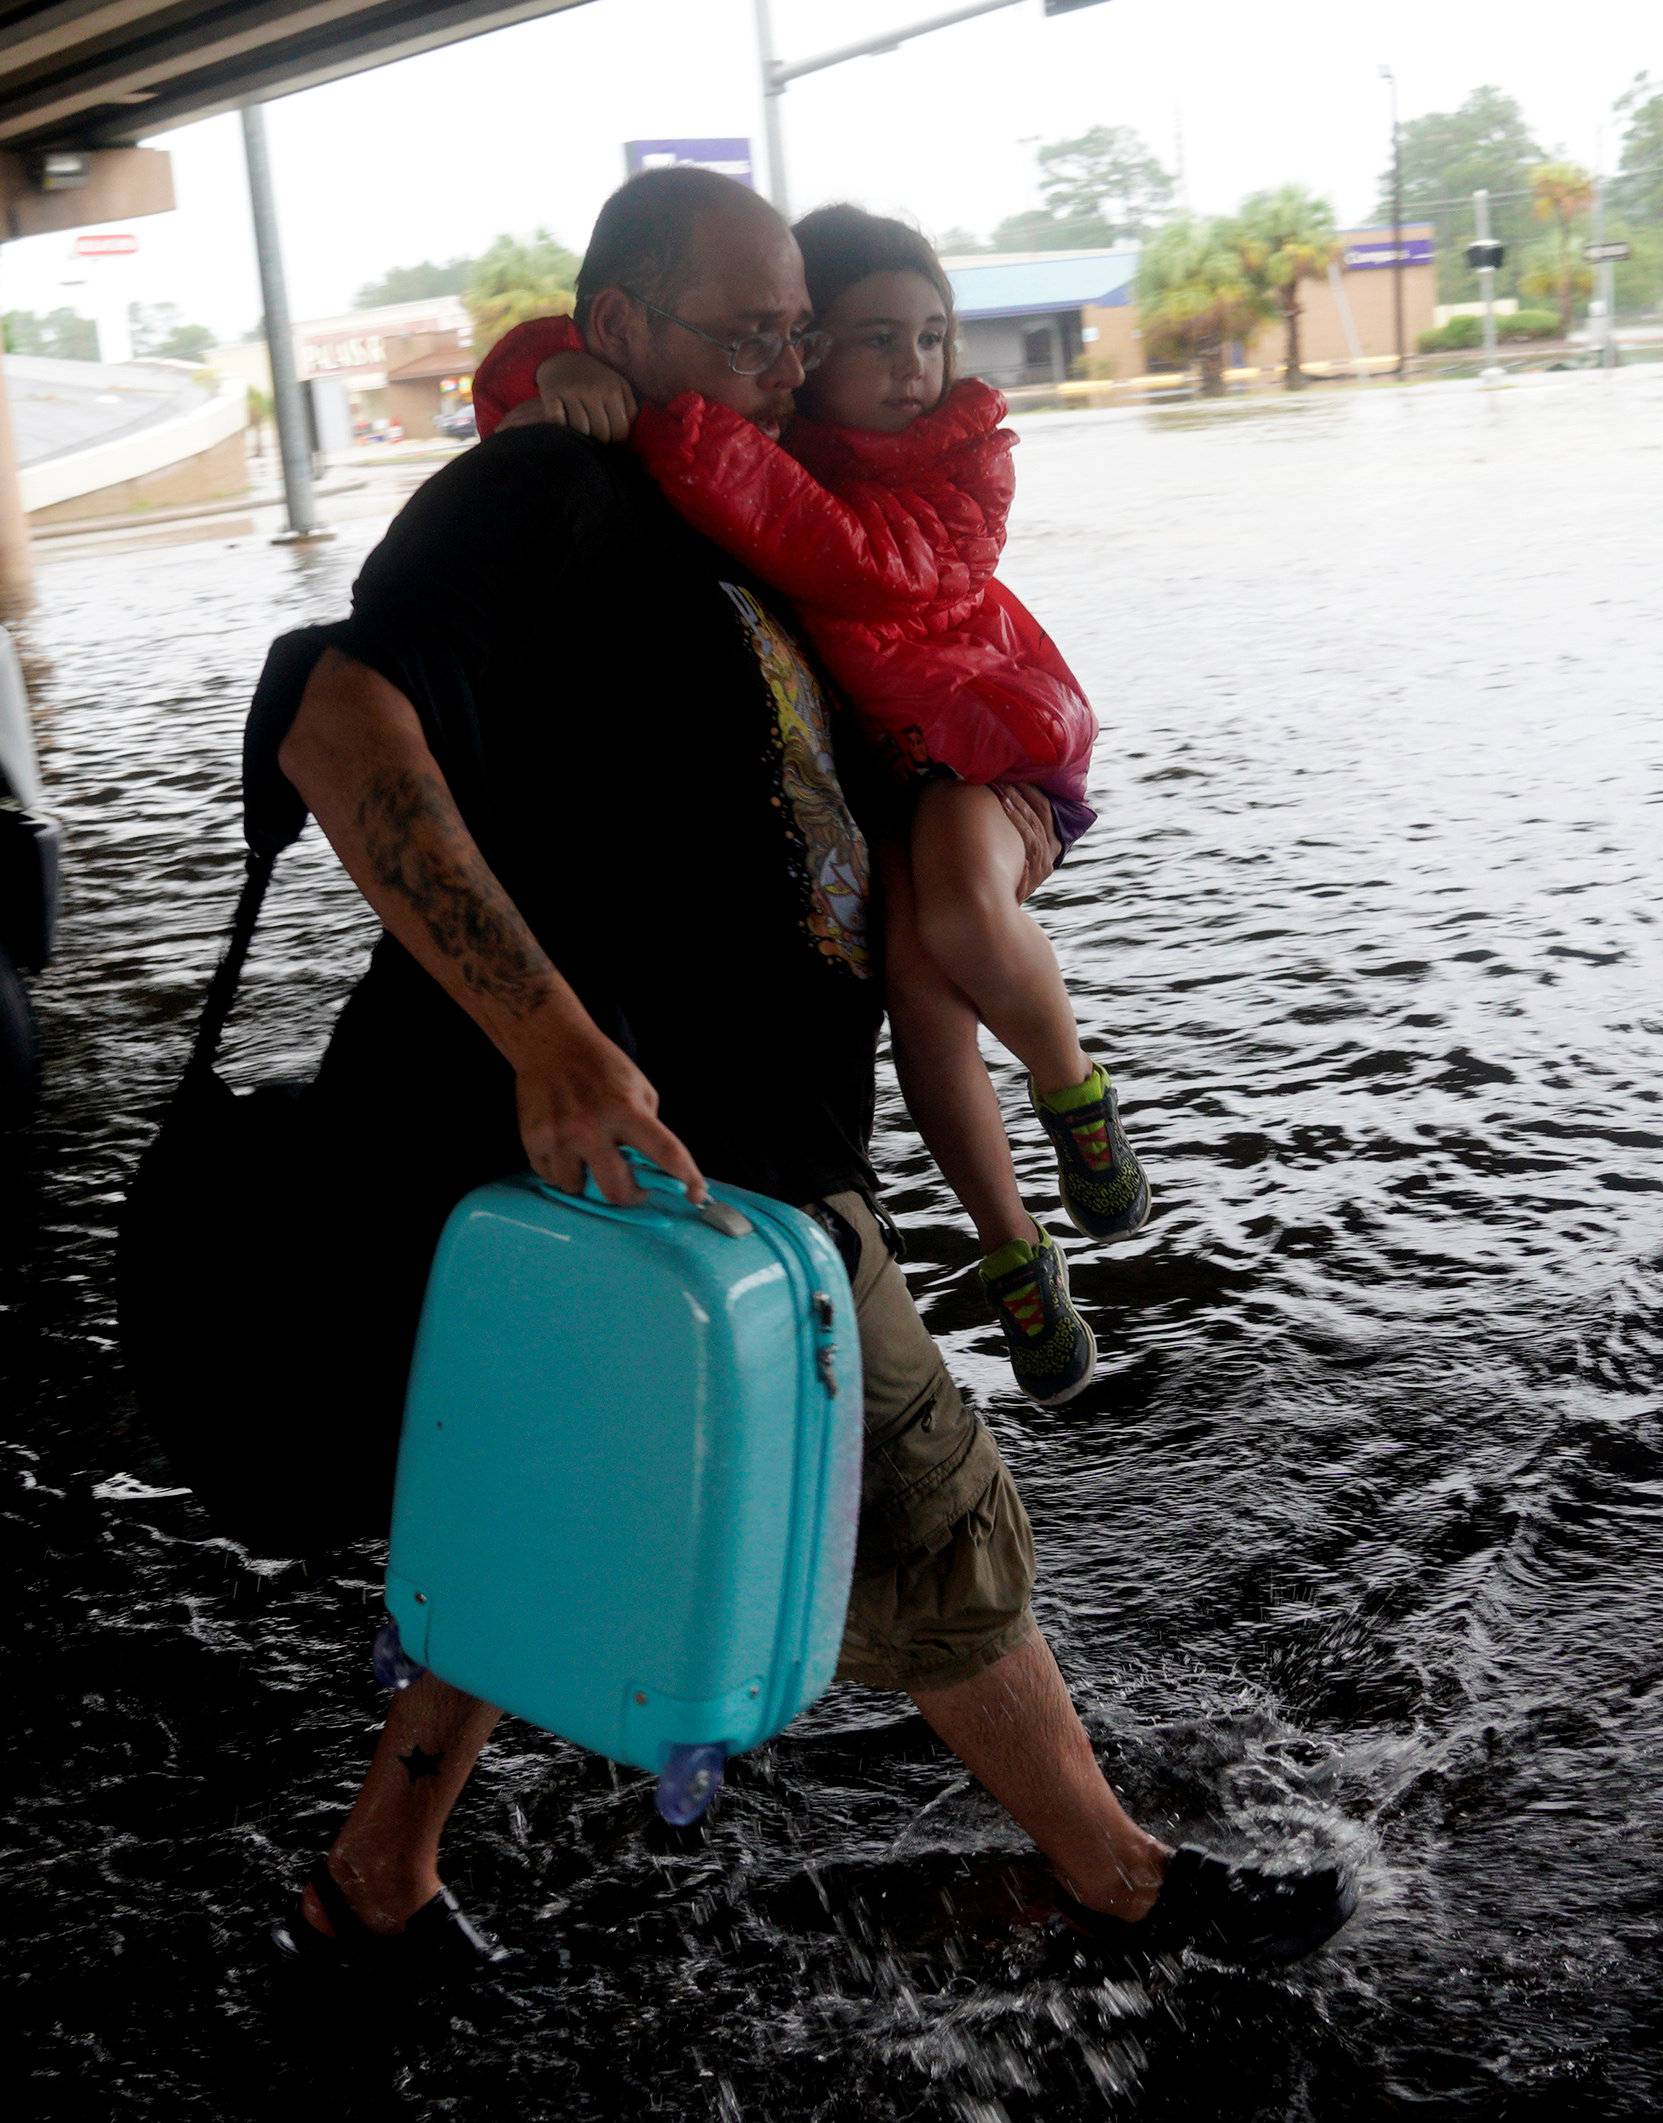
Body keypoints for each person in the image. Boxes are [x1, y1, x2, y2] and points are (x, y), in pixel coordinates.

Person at [262, 165, 1353, 1974]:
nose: (784, 368)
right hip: (668, 1160)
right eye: (744, 331)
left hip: (695, 1173)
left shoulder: (747, 516)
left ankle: (380, 1872)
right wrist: (549, 1033)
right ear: (619, 329)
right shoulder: (543, 490)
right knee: (924, 1503)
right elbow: (337, 721)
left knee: (547, 1484)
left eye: (795, 332)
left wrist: (1014, 829)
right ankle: (1116, 1874)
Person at [471, 206, 1148, 1410]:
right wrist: (560, 369)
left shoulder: (955, 455)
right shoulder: (762, 440)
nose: (913, 366)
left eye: (932, 336)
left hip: (978, 744)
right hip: (885, 775)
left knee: (958, 912)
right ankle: (1013, 1249)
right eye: (867, 339)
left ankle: (1072, 1090)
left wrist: (678, 421)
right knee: (923, 994)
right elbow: (580, 342)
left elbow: (858, 563)